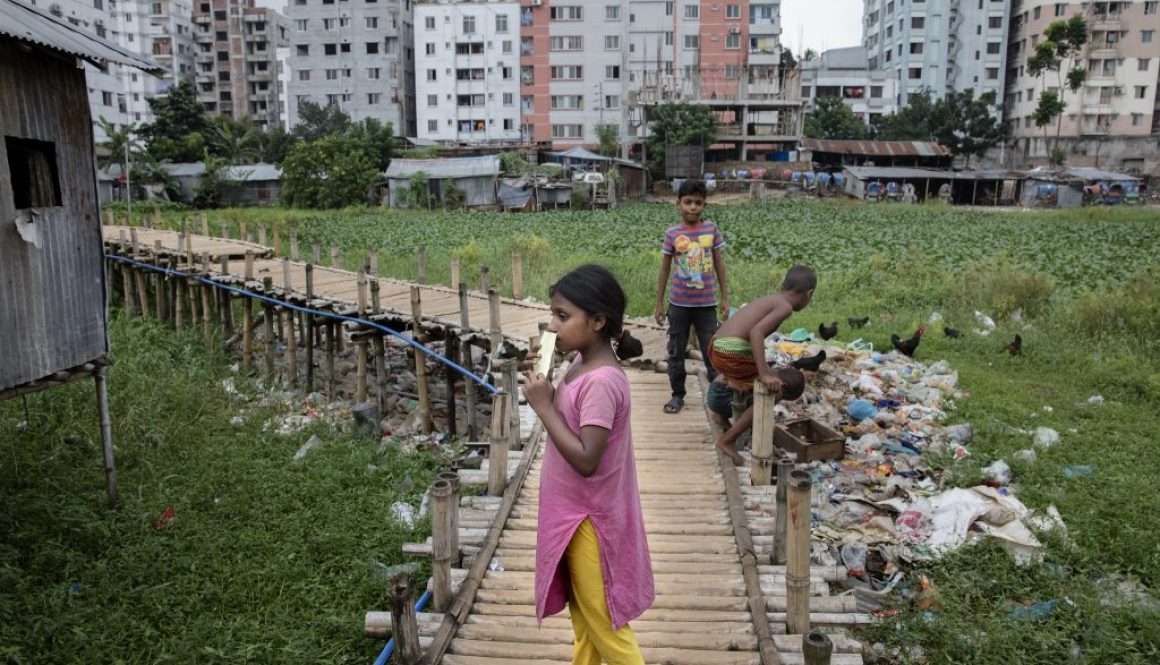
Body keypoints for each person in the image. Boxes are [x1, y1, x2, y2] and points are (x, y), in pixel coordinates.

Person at [523, 264, 652, 665]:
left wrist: (543, 408)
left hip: (588, 521)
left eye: (562, 316)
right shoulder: (581, 365)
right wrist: (542, 371)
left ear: (597, 321)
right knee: (586, 621)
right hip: (576, 515)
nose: (551, 324)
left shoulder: (601, 383)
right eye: (552, 314)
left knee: (606, 627)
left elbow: (586, 459)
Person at [707, 264, 816, 464]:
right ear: (809, 294)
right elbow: (756, 333)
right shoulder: (785, 307)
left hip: (716, 348)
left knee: (761, 378)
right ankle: (727, 440)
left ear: (783, 285)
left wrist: (761, 370)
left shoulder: (773, 299)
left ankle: (734, 383)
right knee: (774, 392)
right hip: (730, 350)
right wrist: (764, 374)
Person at [654, 178, 730, 415]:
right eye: (688, 202)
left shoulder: (711, 230)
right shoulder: (672, 234)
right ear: (678, 204)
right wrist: (659, 303)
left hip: (707, 305)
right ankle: (677, 396)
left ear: (704, 205)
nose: (693, 207)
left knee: (712, 353)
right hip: (678, 305)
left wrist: (725, 298)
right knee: (676, 351)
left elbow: (719, 264)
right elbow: (665, 268)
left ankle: (716, 399)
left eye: (698, 203)